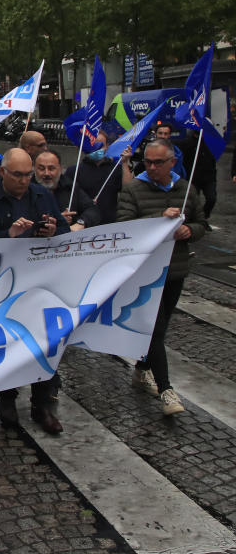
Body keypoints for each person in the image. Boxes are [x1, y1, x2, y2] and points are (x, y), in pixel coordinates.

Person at [0, 149, 70, 434]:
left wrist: (54, 231)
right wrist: (8, 236)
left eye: (28, 174)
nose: (24, 180)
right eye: (18, 175)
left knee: (44, 342)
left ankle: (42, 404)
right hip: (2, 287)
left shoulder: (42, 196)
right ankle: (7, 398)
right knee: (8, 343)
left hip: (39, 283)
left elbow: (65, 231)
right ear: (2, 172)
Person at [117, 138, 208, 415]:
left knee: (162, 324)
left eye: (159, 162)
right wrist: (160, 217)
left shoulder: (186, 189)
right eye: (148, 162)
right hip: (146, 272)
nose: (152, 167)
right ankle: (166, 389)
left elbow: (202, 222)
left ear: (172, 162)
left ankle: (142, 368)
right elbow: (125, 226)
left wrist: (190, 230)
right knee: (154, 327)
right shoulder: (133, 189)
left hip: (176, 268)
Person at [63, 132, 133, 224]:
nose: (96, 149)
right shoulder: (74, 171)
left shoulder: (116, 169)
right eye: (93, 146)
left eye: (100, 146)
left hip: (108, 223)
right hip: (81, 223)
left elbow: (128, 189)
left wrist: (124, 163)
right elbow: (66, 197)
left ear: (107, 146)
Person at [34, 150, 100, 231]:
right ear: (34, 169)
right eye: (41, 169)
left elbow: (92, 210)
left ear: (60, 169)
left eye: (51, 168)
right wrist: (59, 220)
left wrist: (80, 223)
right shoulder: (26, 189)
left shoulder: (70, 187)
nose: (46, 173)